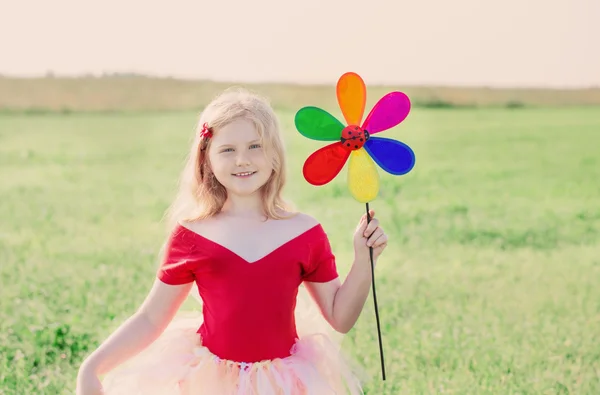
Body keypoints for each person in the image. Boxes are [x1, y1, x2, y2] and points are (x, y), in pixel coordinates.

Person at [76, 88, 389, 395]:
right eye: (228, 150)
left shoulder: (304, 233)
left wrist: (364, 260)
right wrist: (93, 367)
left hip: (283, 382)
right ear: (206, 158)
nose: (242, 160)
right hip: (213, 382)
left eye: (255, 146)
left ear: (274, 156)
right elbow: (150, 318)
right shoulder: (192, 235)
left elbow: (340, 317)